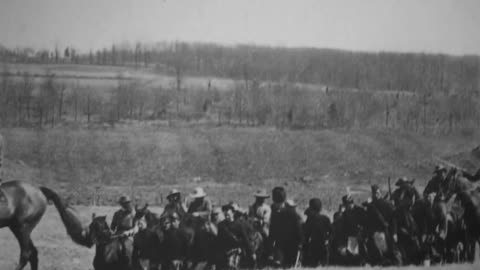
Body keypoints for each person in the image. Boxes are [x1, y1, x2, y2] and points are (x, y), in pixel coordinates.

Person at [363, 185, 399, 266]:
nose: (376, 195)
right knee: (376, 254)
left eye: (377, 193)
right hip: (374, 232)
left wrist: (394, 233)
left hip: (386, 231)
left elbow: (393, 219)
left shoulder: (387, 204)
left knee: (390, 252)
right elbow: (368, 221)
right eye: (374, 193)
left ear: (379, 193)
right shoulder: (370, 206)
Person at [217, 204, 255, 270]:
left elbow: (245, 239)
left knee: (231, 265)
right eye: (225, 215)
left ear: (233, 213)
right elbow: (219, 240)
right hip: (225, 250)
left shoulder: (239, 225)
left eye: (228, 215)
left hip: (237, 250)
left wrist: (252, 253)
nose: (227, 217)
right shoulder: (221, 225)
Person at [303, 198, 332, 267]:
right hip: (323, 243)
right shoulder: (325, 218)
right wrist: (328, 239)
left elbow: (306, 232)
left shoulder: (310, 219)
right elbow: (332, 231)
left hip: (313, 244)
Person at [111, 195, 138, 266]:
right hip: (117, 234)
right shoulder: (117, 214)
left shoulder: (134, 213)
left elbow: (136, 227)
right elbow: (112, 227)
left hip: (129, 236)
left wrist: (128, 232)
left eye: (128, 202)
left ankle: (130, 265)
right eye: (124, 203)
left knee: (127, 248)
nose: (127, 204)